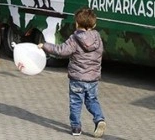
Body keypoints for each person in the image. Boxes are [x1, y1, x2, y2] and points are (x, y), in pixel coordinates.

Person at [39, 8, 106, 138]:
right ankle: (99, 119)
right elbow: (99, 54)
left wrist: (45, 46)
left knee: (75, 103)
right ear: (94, 25)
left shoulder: (74, 39)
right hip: (93, 78)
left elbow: (60, 51)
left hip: (77, 78)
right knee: (92, 100)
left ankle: (76, 128)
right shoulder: (97, 38)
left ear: (76, 23)